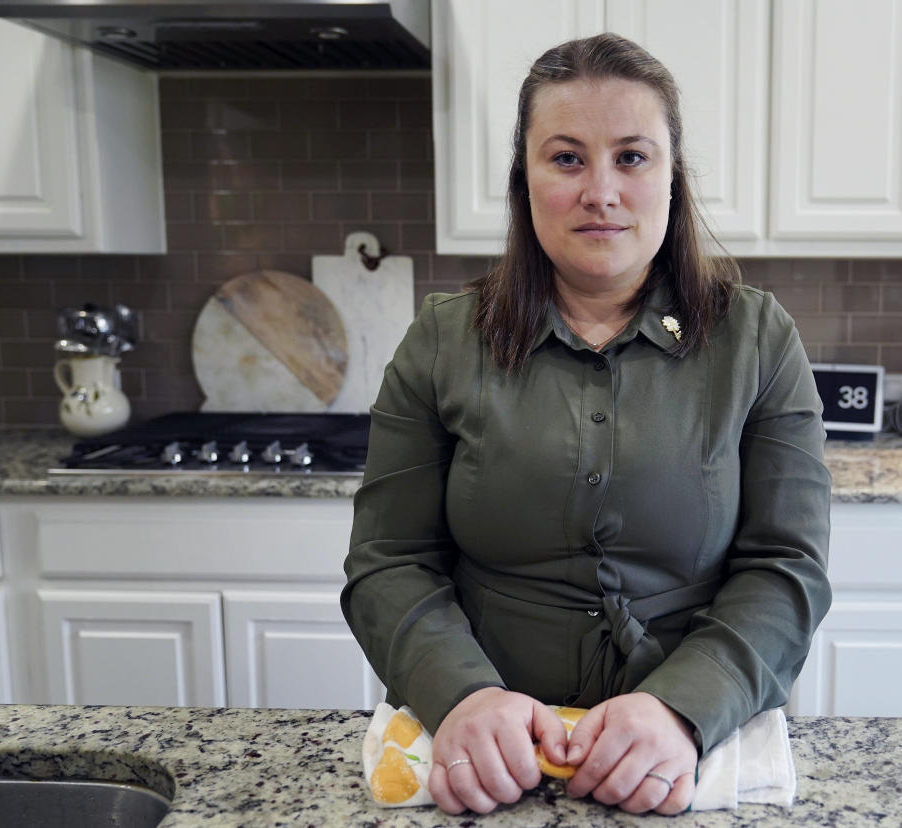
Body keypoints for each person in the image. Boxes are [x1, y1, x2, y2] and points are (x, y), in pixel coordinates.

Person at [342, 32, 832, 816]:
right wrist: (464, 699)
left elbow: (786, 570)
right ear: (524, 181)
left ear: (674, 179)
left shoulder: (759, 340)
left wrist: (680, 708)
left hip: (689, 753)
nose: (601, 191)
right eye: (567, 158)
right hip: (486, 758)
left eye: (632, 158)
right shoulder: (440, 340)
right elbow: (388, 563)